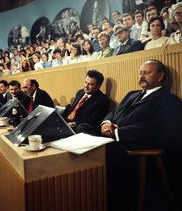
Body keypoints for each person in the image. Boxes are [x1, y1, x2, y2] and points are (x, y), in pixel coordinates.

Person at [100, 59, 182, 210]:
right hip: (113, 138)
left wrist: (117, 133)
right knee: (84, 130)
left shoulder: (169, 100)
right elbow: (113, 112)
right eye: (140, 73)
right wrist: (106, 123)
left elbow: (154, 128)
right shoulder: (132, 94)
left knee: (101, 153)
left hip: (134, 148)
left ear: (160, 75)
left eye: (147, 72)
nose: (142, 76)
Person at [66, 70, 110, 135]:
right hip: (68, 122)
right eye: (85, 82)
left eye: (90, 84)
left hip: (81, 127)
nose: (86, 86)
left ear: (98, 86)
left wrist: (74, 124)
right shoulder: (79, 93)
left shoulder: (102, 100)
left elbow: (93, 121)